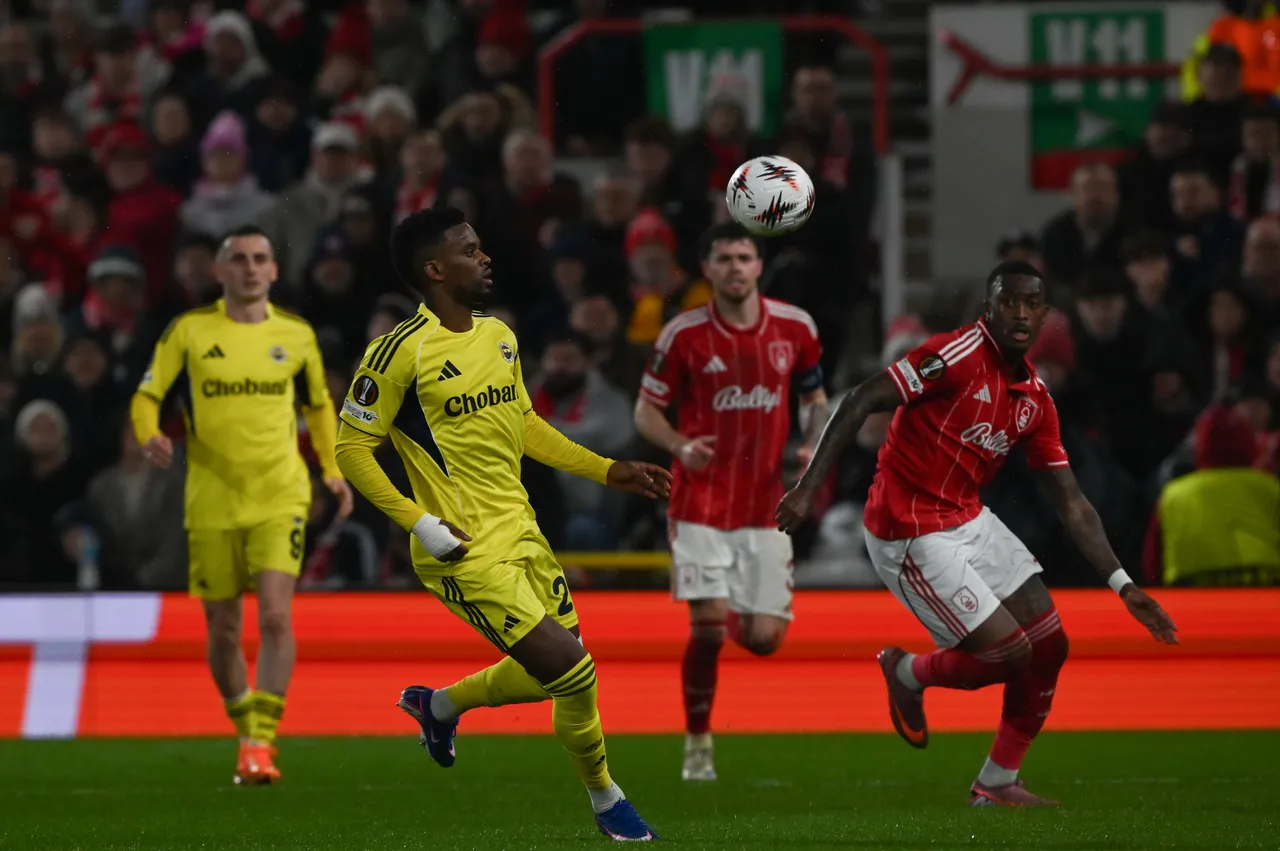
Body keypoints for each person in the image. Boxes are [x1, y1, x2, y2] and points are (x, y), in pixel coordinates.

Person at [775, 260, 1179, 806]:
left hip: (967, 517)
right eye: (1007, 301)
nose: (1018, 312)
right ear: (989, 309)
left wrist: (1123, 584)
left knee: (1050, 645)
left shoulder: (1034, 398)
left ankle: (995, 784)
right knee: (1009, 654)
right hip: (908, 528)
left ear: (1043, 316)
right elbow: (861, 398)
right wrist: (806, 487)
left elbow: (1072, 503)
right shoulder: (954, 356)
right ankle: (907, 672)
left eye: (1030, 303)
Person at [333, 207, 669, 842]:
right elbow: (351, 449)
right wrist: (419, 522)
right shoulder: (397, 353)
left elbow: (523, 425)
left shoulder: (499, 335)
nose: (484, 258)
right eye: (469, 250)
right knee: (574, 668)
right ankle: (606, 800)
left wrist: (605, 470)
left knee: (560, 676)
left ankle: (439, 706)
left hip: (521, 528)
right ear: (435, 269)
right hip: (457, 546)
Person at [130, 225, 353, 786]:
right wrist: (149, 432)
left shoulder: (296, 335)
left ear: (274, 271)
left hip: (281, 493)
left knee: (276, 615)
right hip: (211, 500)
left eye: (261, 259)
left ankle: (260, 742)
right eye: (239, 259)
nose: (251, 268)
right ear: (220, 271)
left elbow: (320, 407)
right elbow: (147, 393)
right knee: (224, 629)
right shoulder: (190, 332)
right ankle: (245, 725)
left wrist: (330, 468)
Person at [633, 222, 829, 782]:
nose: (736, 267)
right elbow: (645, 411)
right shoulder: (682, 335)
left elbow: (815, 398)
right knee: (708, 626)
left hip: (768, 507)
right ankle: (698, 742)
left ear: (759, 266)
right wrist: (678, 444)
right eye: (724, 258)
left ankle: (733, 607)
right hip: (699, 504)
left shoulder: (796, 327)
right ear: (707, 269)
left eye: (745, 257)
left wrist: (812, 440)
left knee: (765, 640)